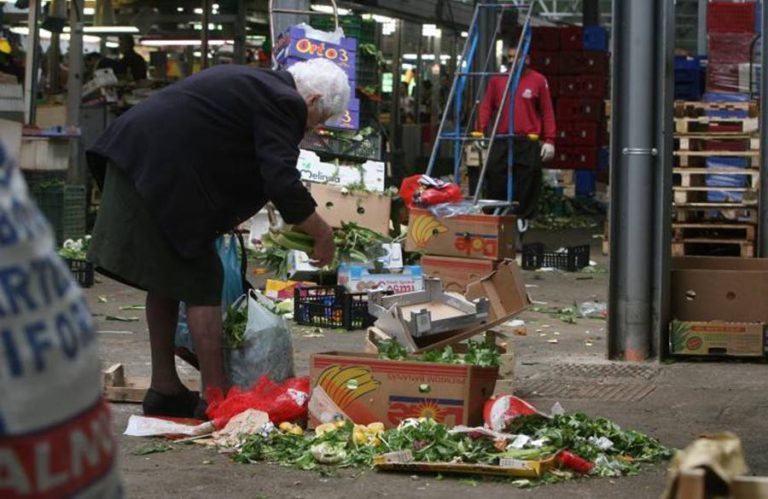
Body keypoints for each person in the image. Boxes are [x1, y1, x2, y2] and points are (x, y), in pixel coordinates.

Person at [86, 58, 350, 418]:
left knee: (166, 277)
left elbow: (219, 144)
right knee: (202, 282)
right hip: (157, 171)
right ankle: (218, 400)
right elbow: (281, 180)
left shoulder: (257, 83)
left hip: (140, 159)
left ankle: (165, 388)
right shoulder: (286, 102)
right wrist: (321, 233)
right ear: (313, 99)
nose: (308, 130)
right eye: (316, 121)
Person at [474, 43, 556, 232]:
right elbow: (486, 106)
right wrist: (480, 130)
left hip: (527, 139)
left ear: (526, 59)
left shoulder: (538, 81)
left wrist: (550, 140)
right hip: (502, 137)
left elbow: (547, 111)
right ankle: (497, 211)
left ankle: (522, 217)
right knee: (494, 171)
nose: (512, 61)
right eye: (509, 57)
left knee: (529, 175)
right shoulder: (498, 81)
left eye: (516, 57)